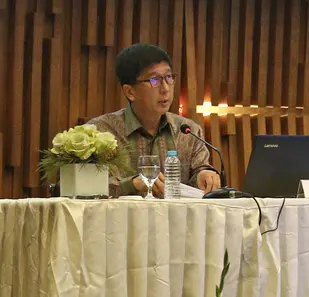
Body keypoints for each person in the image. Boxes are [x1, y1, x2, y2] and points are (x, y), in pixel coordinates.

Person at [88, 43, 221, 197]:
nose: (165, 88)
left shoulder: (188, 130)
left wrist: (204, 175)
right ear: (130, 92)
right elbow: (84, 186)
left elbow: (199, 170)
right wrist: (131, 185)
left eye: (169, 77)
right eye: (154, 80)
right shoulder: (99, 132)